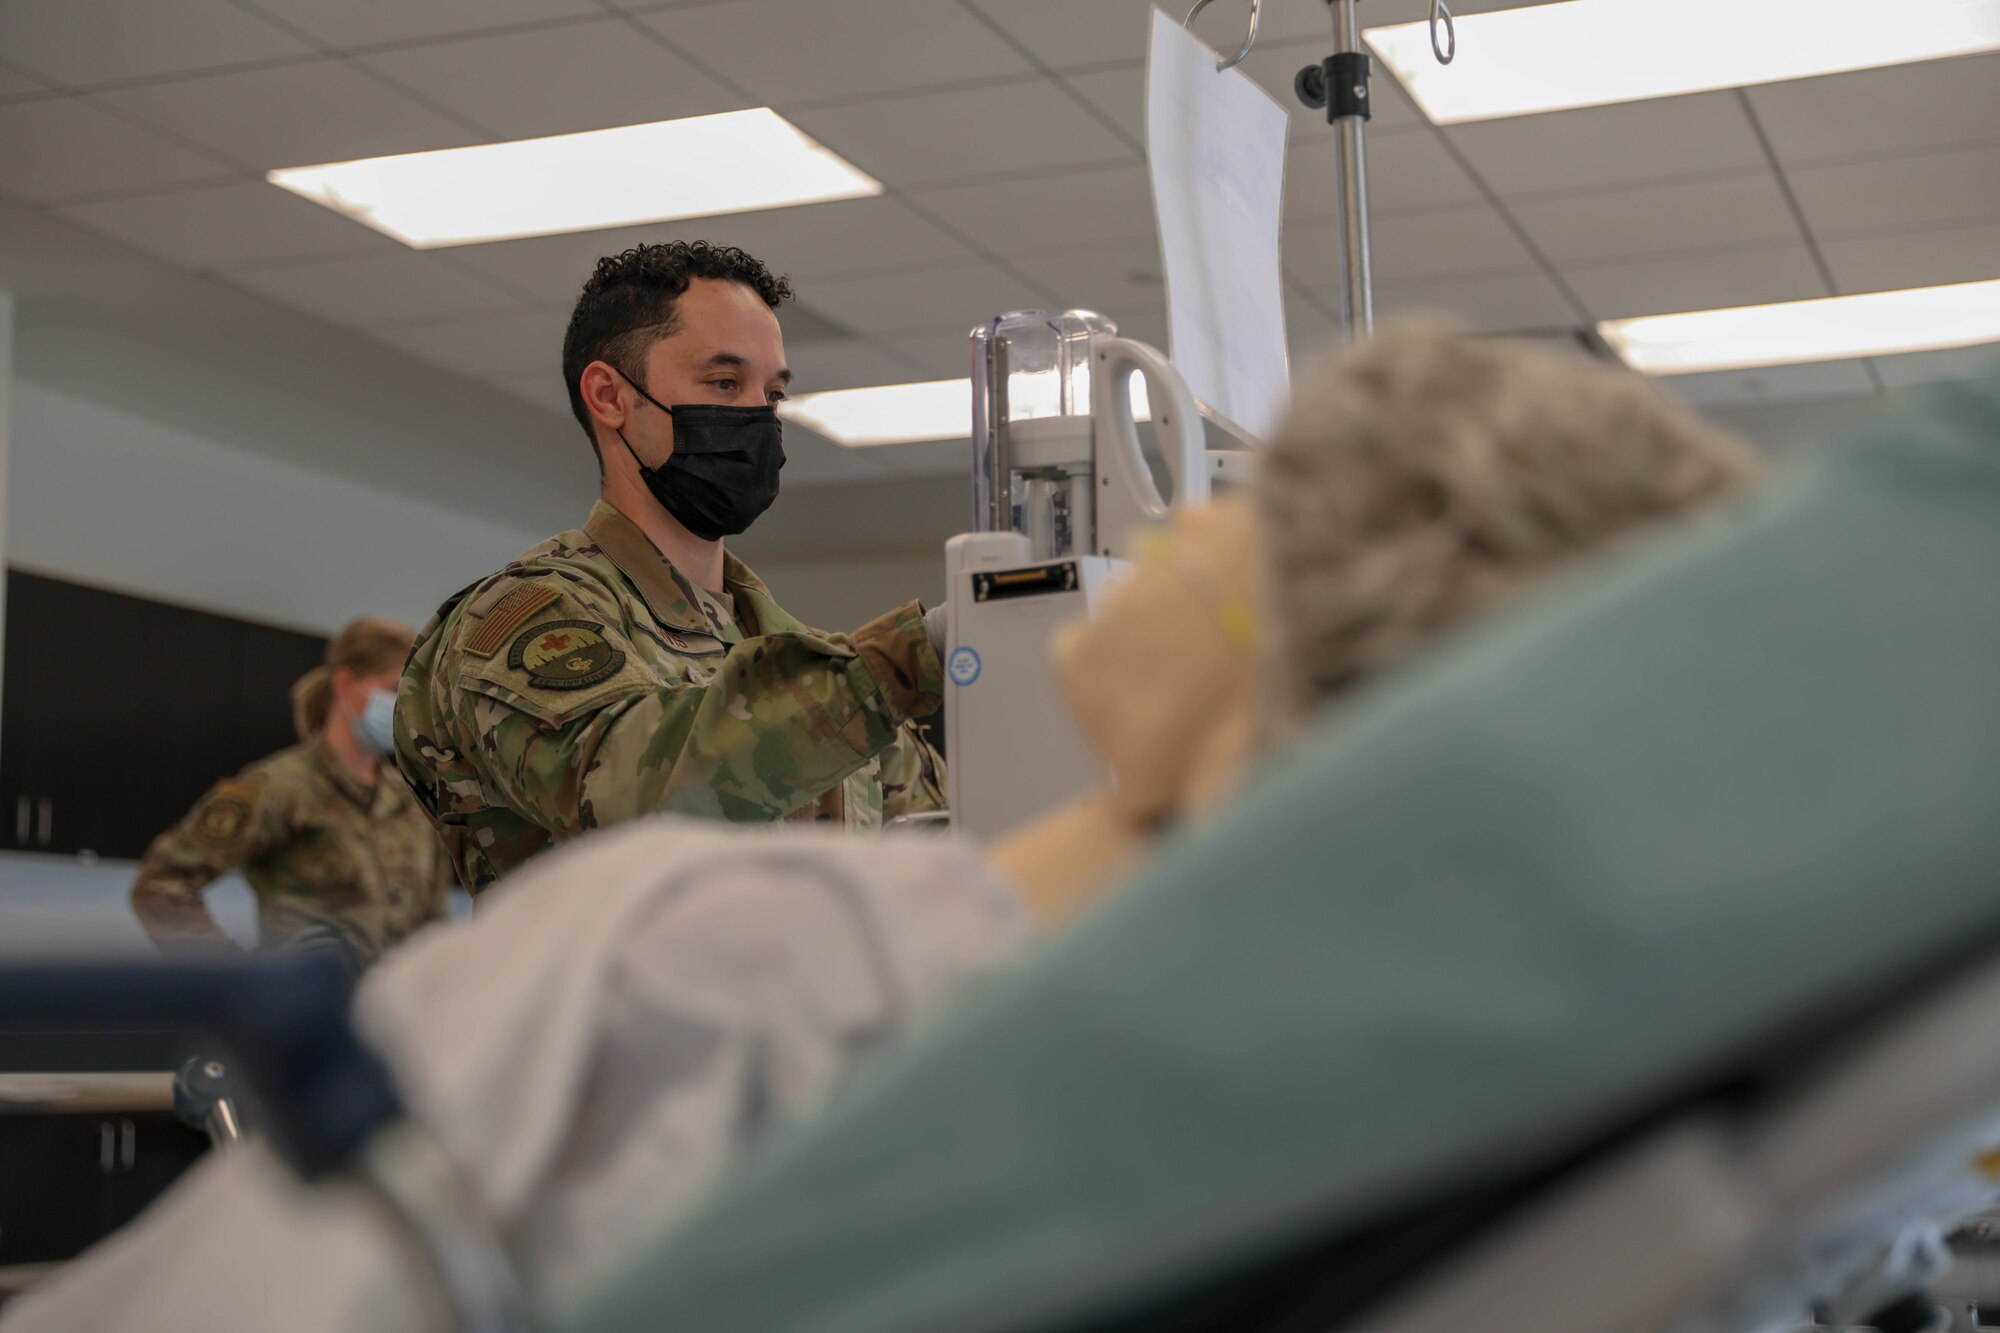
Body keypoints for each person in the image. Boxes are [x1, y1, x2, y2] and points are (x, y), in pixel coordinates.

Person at [21, 324, 1770, 1333]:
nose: (1152, 555)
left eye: (1235, 524)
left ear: (1293, 637)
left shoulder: (719, 949)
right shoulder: (1275, 1075)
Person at [395, 240, 947, 892]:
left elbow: (944, 861)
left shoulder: (790, 655)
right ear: (609, 396)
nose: (758, 417)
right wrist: (917, 654)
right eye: (723, 383)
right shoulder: (523, 619)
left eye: (772, 394)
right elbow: (641, 793)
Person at [130, 617, 453, 968]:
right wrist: (240, 978)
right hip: (309, 1014)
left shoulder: (411, 797)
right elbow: (161, 887)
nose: (406, 709)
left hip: (392, 1013)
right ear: (346, 684)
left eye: (413, 697)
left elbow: (433, 925)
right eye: (394, 690)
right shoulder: (281, 787)